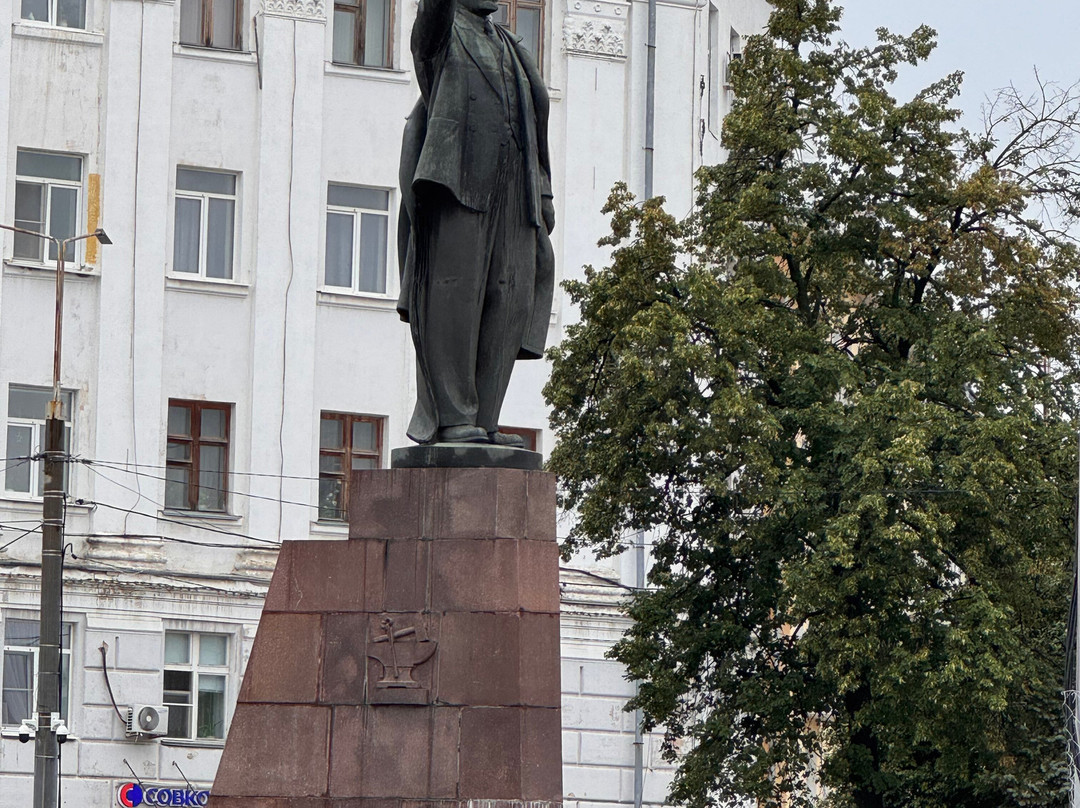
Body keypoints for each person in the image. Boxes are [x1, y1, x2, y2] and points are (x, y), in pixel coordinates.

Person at [397, 0, 555, 447]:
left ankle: (485, 419)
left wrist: (542, 192)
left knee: (510, 297)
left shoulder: (510, 46)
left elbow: (533, 127)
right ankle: (453, 417)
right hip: (458, 186)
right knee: (454, 302)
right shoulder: (441, 35)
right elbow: (431, 17)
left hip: (513, 190)